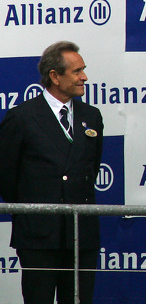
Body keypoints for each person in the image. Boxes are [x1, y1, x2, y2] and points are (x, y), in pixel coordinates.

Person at [0, 41, 104, 304]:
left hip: (81, 235)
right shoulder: (22, 117)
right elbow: (6, 178)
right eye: (77, 71)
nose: (84, 77)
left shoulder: (91, 116)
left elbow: (91, 168)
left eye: (84, 69)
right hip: (39, 236)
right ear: (55, 77)